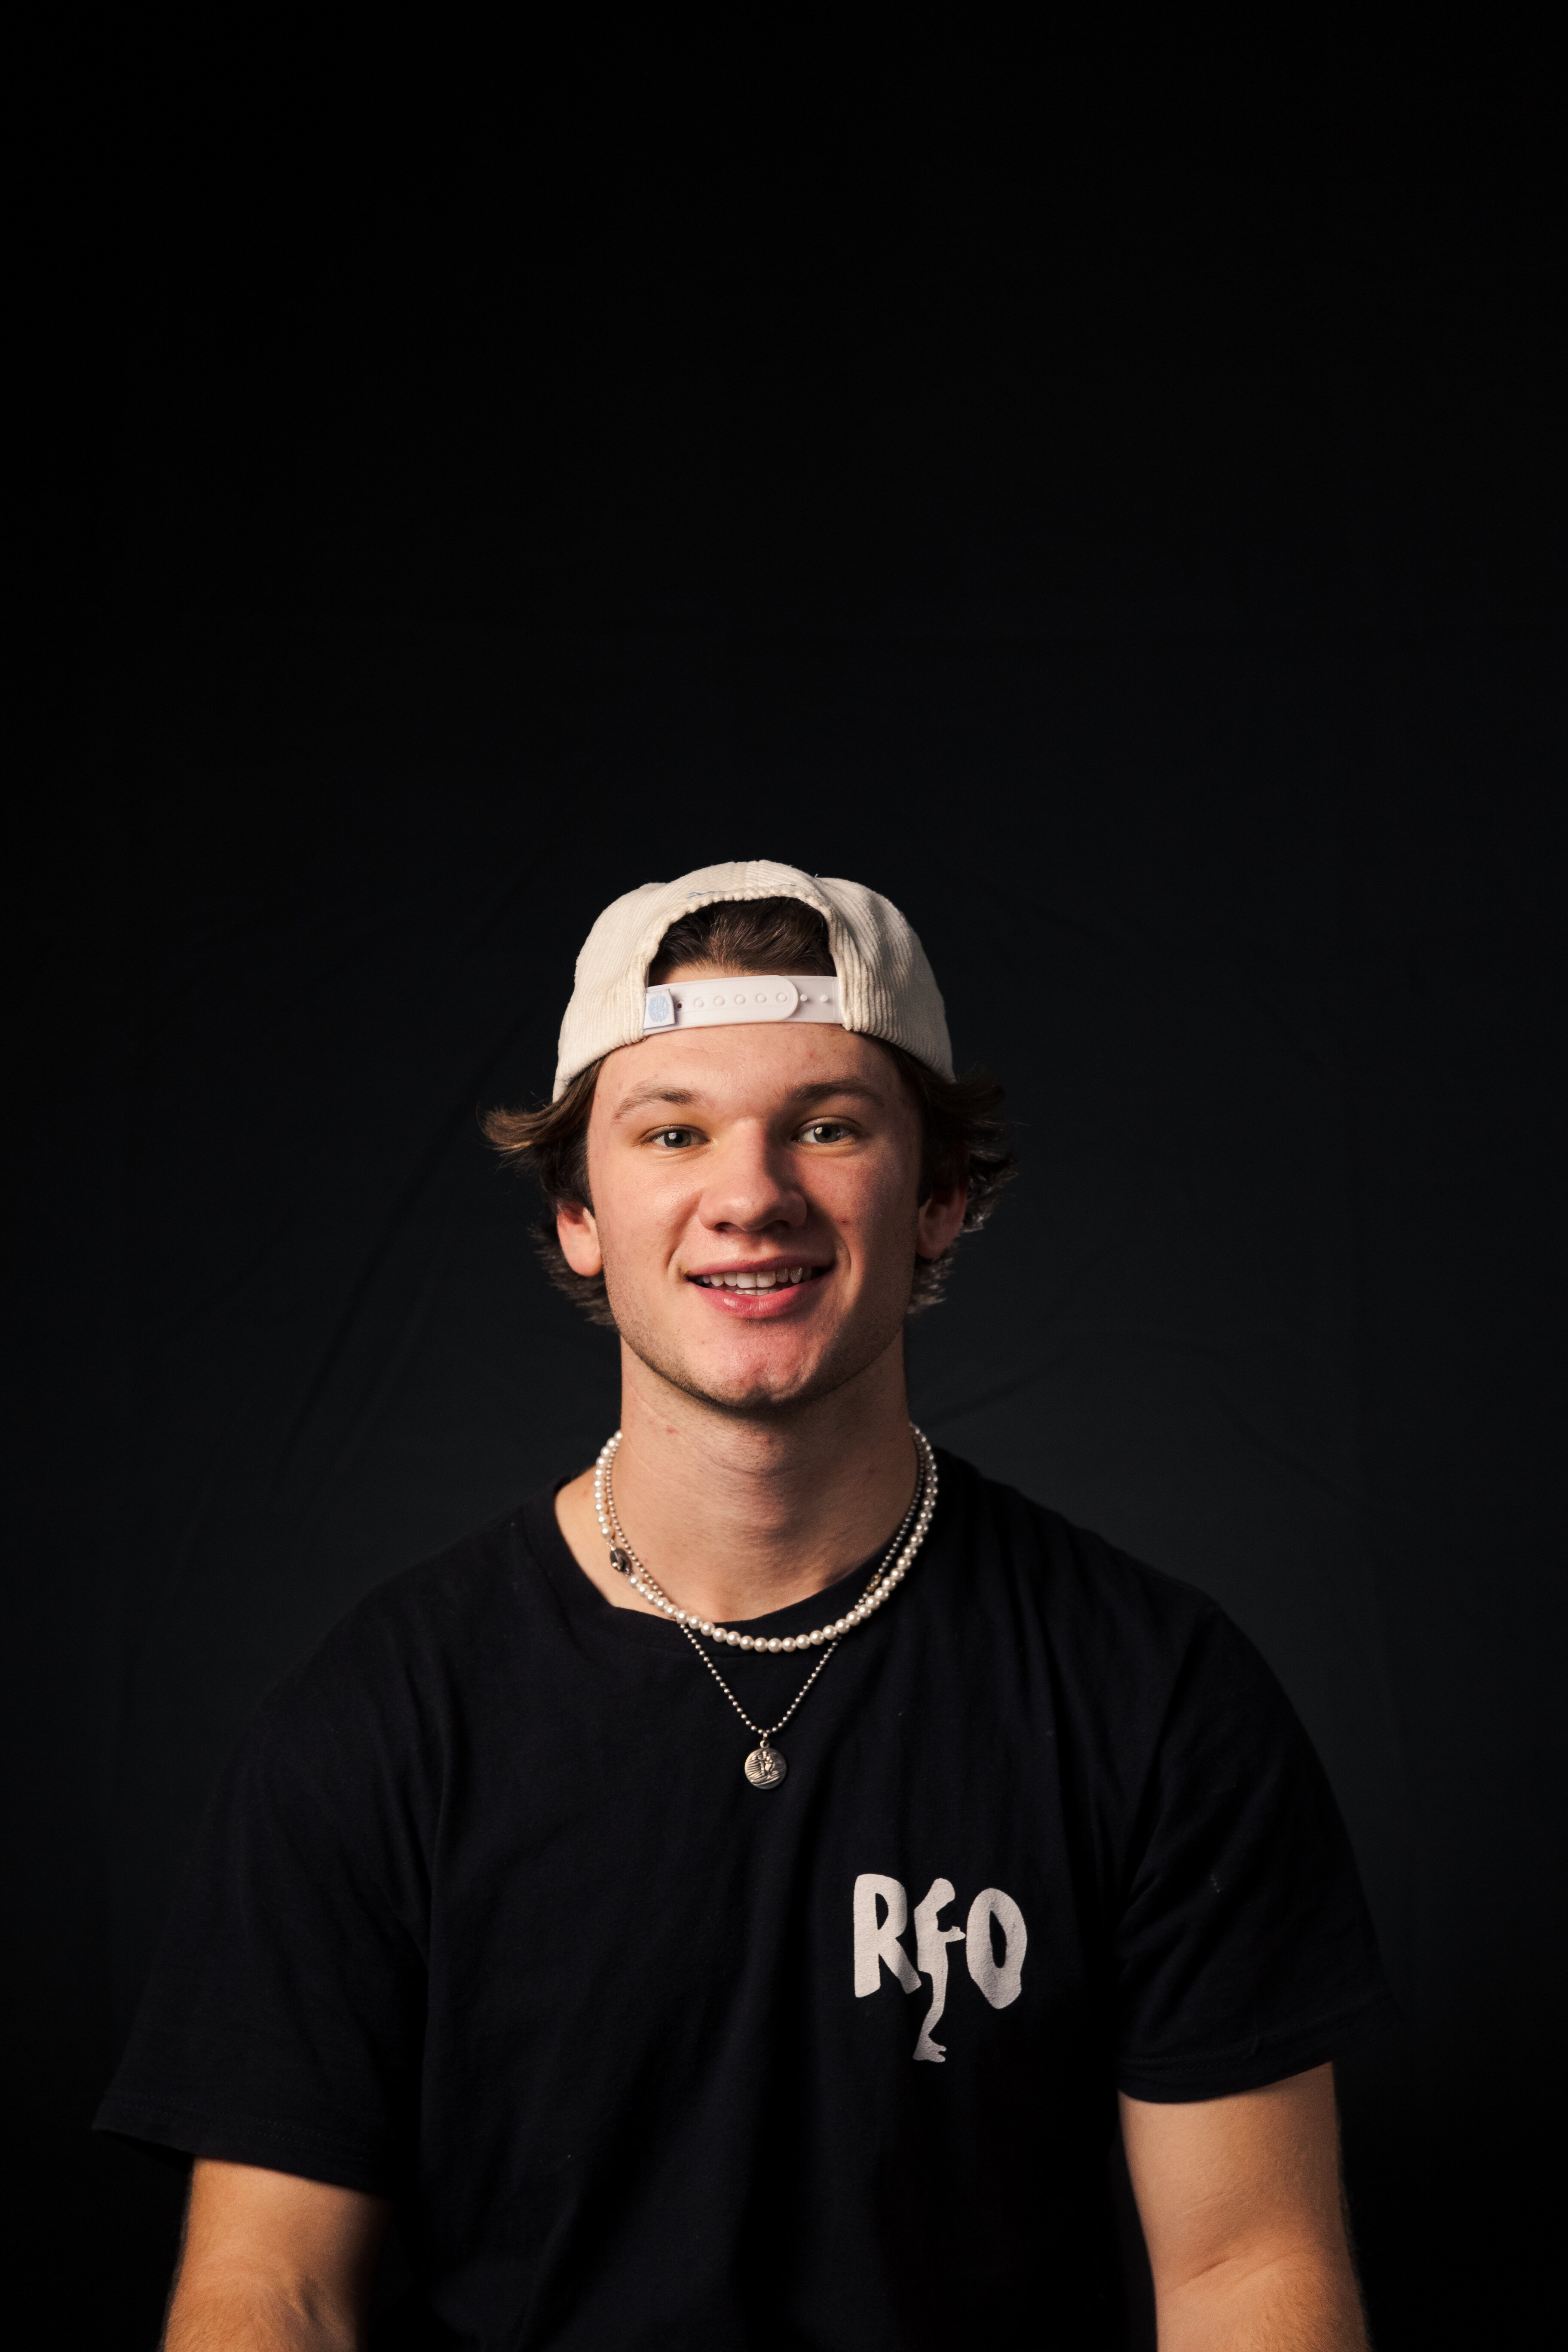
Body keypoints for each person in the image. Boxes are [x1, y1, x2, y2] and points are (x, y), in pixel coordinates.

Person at [98, 859, 1393, 2349]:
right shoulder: (374, 1724)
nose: (752, 1195)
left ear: (941, 1197)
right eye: (674, 1132)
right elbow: (275, 2291)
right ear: (581, 1209)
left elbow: (1247, 2275)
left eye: (828, 1127)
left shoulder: (1156, 1695)